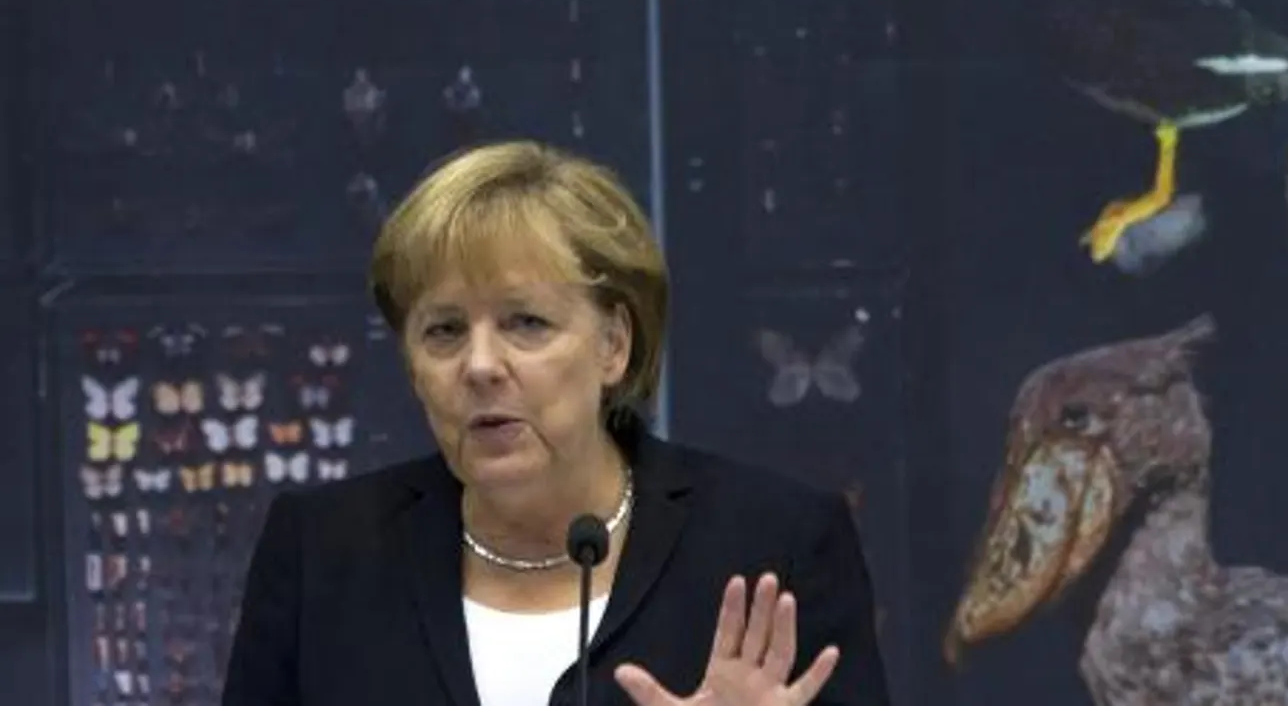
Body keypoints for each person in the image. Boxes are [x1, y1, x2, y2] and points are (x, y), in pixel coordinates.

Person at [222, 140, 891, 706]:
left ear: (613, 345)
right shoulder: (321, 553)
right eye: (445, 330)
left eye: (527, 322)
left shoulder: (775, 547)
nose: (480, 365)